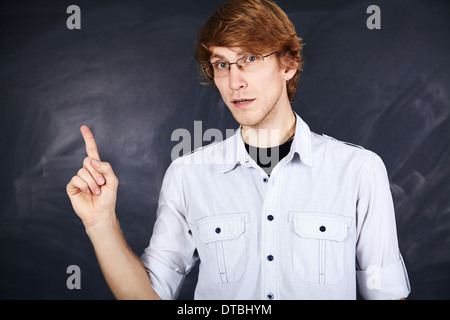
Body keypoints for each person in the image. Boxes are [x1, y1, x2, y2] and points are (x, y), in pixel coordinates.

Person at [66, 0, 410, 300]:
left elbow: (387, 294)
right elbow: (149, 296)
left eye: (250, 59)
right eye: (221, 64)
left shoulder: (359, 169)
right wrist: (101, 223)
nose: (235, 81)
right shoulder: (187, 175)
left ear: (288, 65)